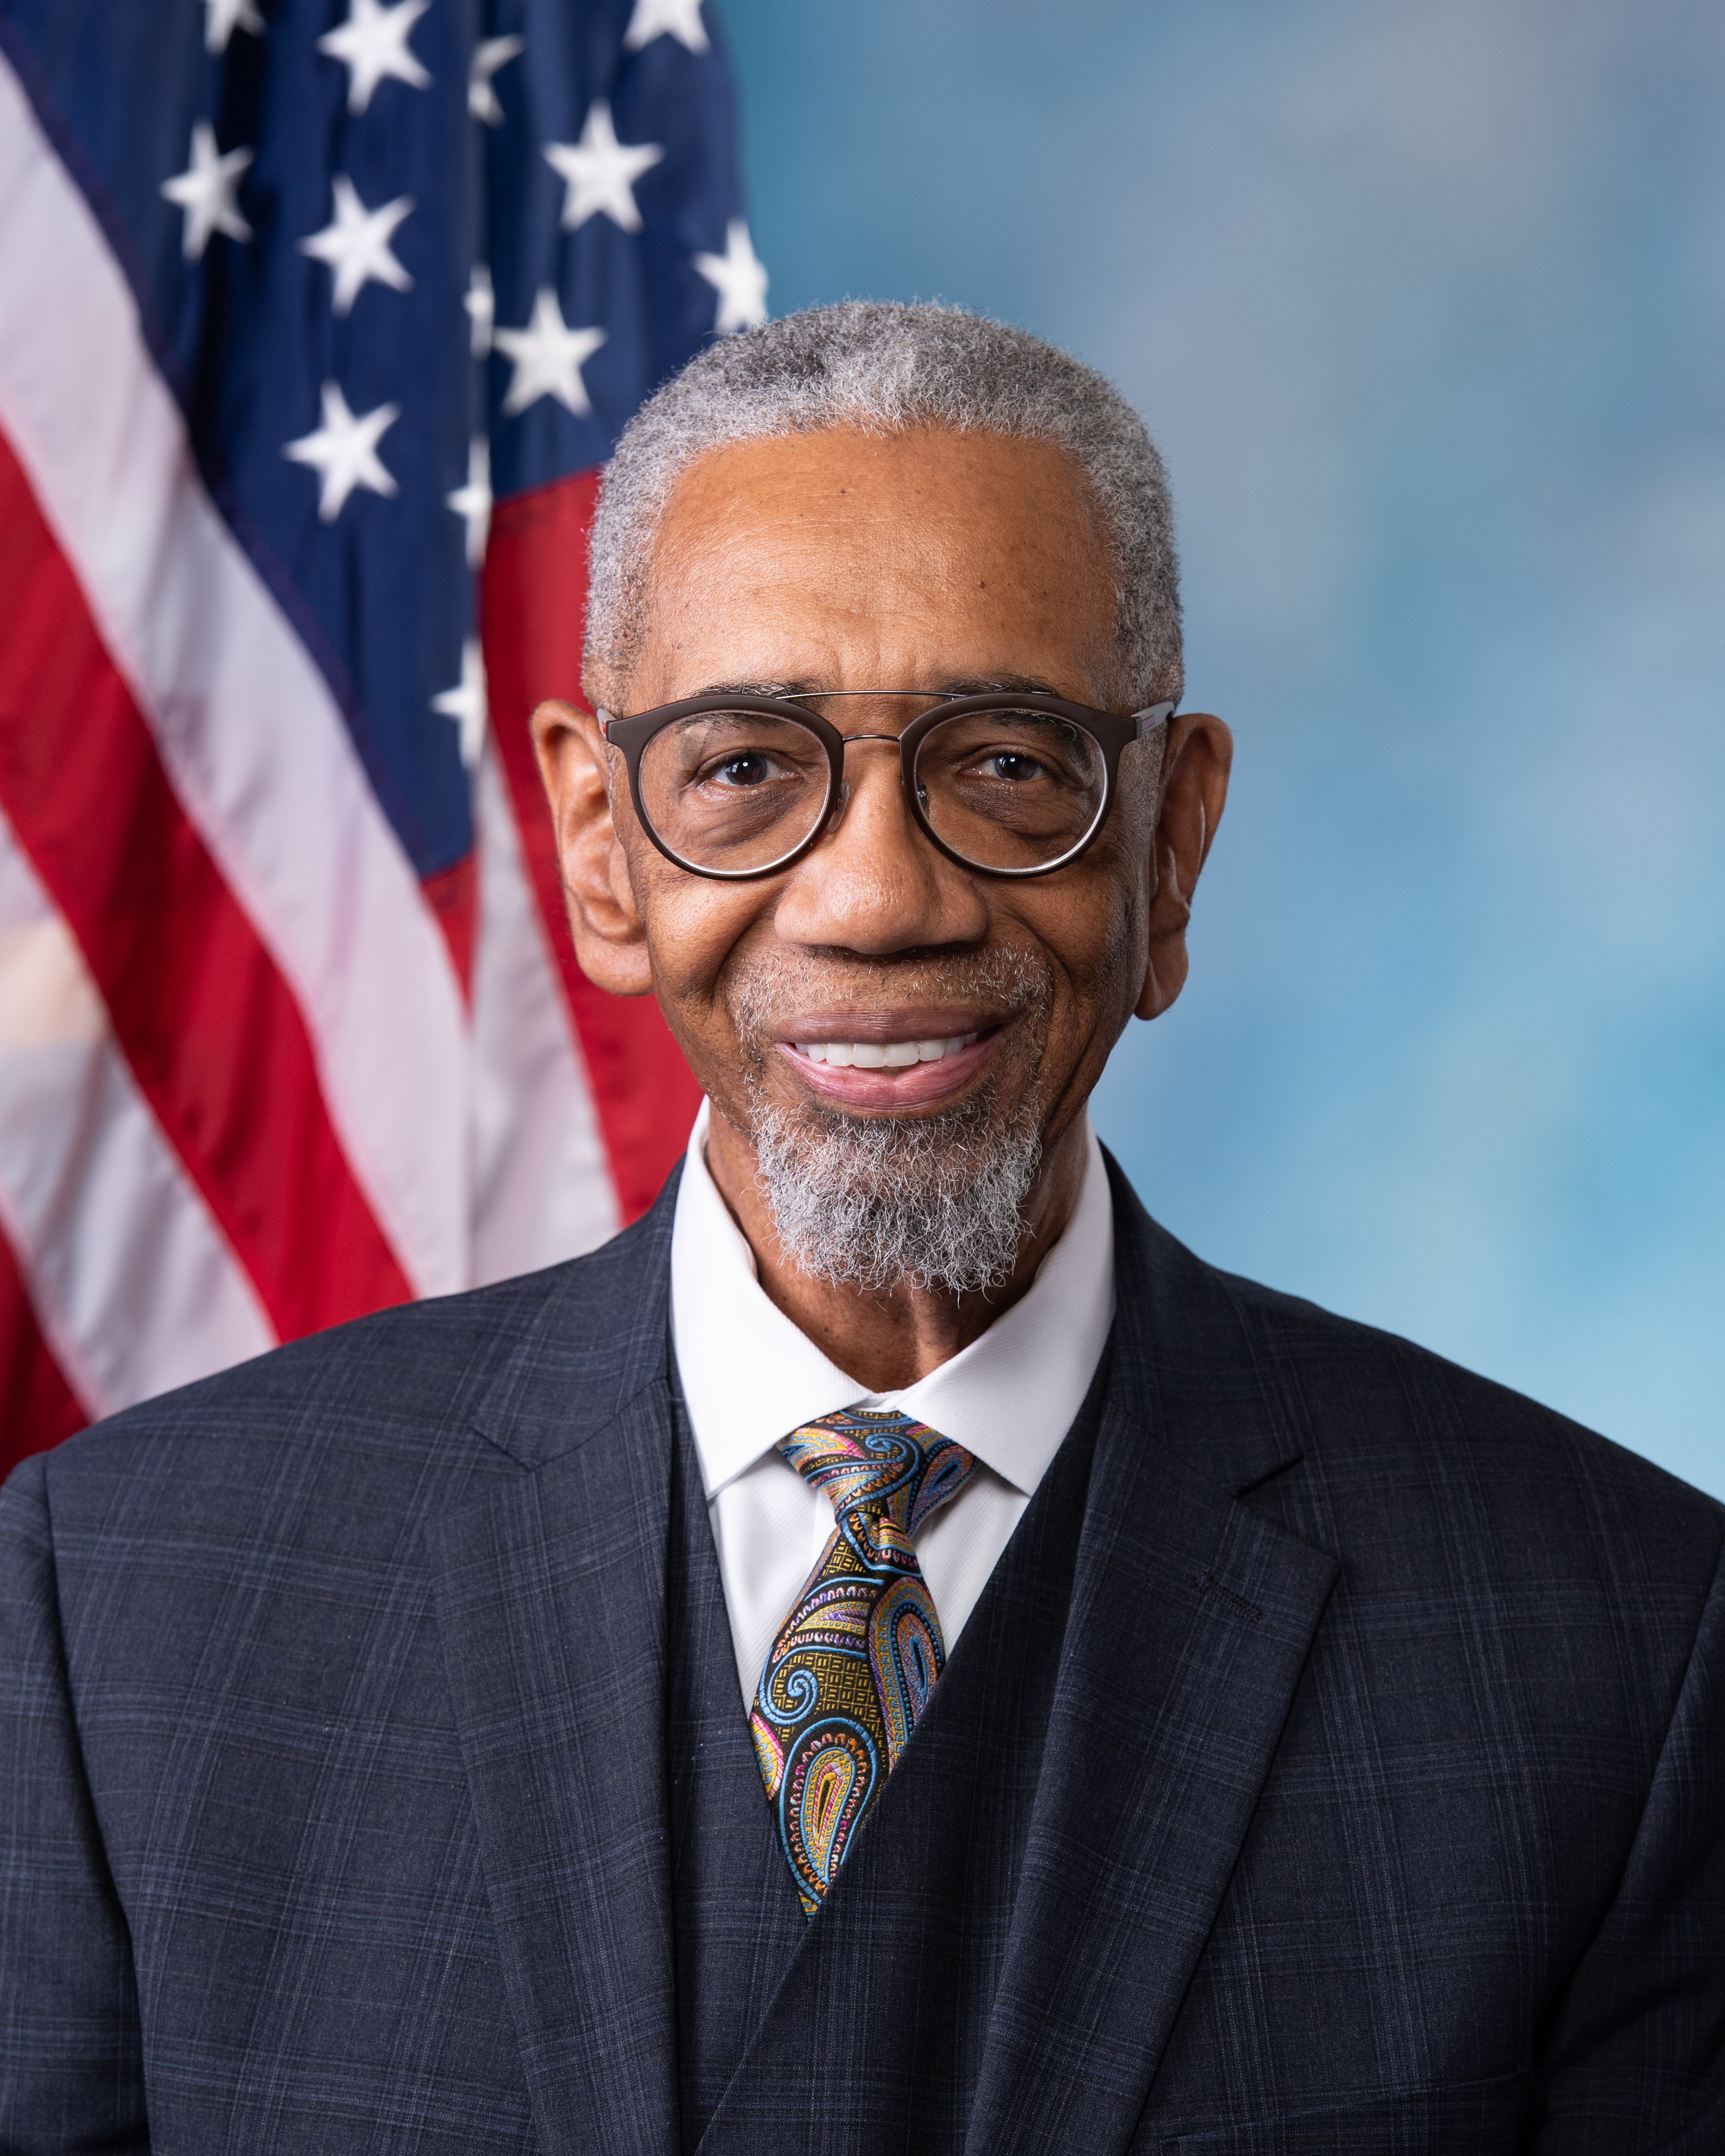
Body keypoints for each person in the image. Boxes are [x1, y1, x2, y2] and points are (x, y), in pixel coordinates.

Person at [2, 302, 1720, 2155]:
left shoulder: (1621, 1652)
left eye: (1007, 762)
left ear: (1172, 843)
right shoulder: (116, 1613)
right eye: (744, 766)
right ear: (600, 844)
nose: (880, 899)